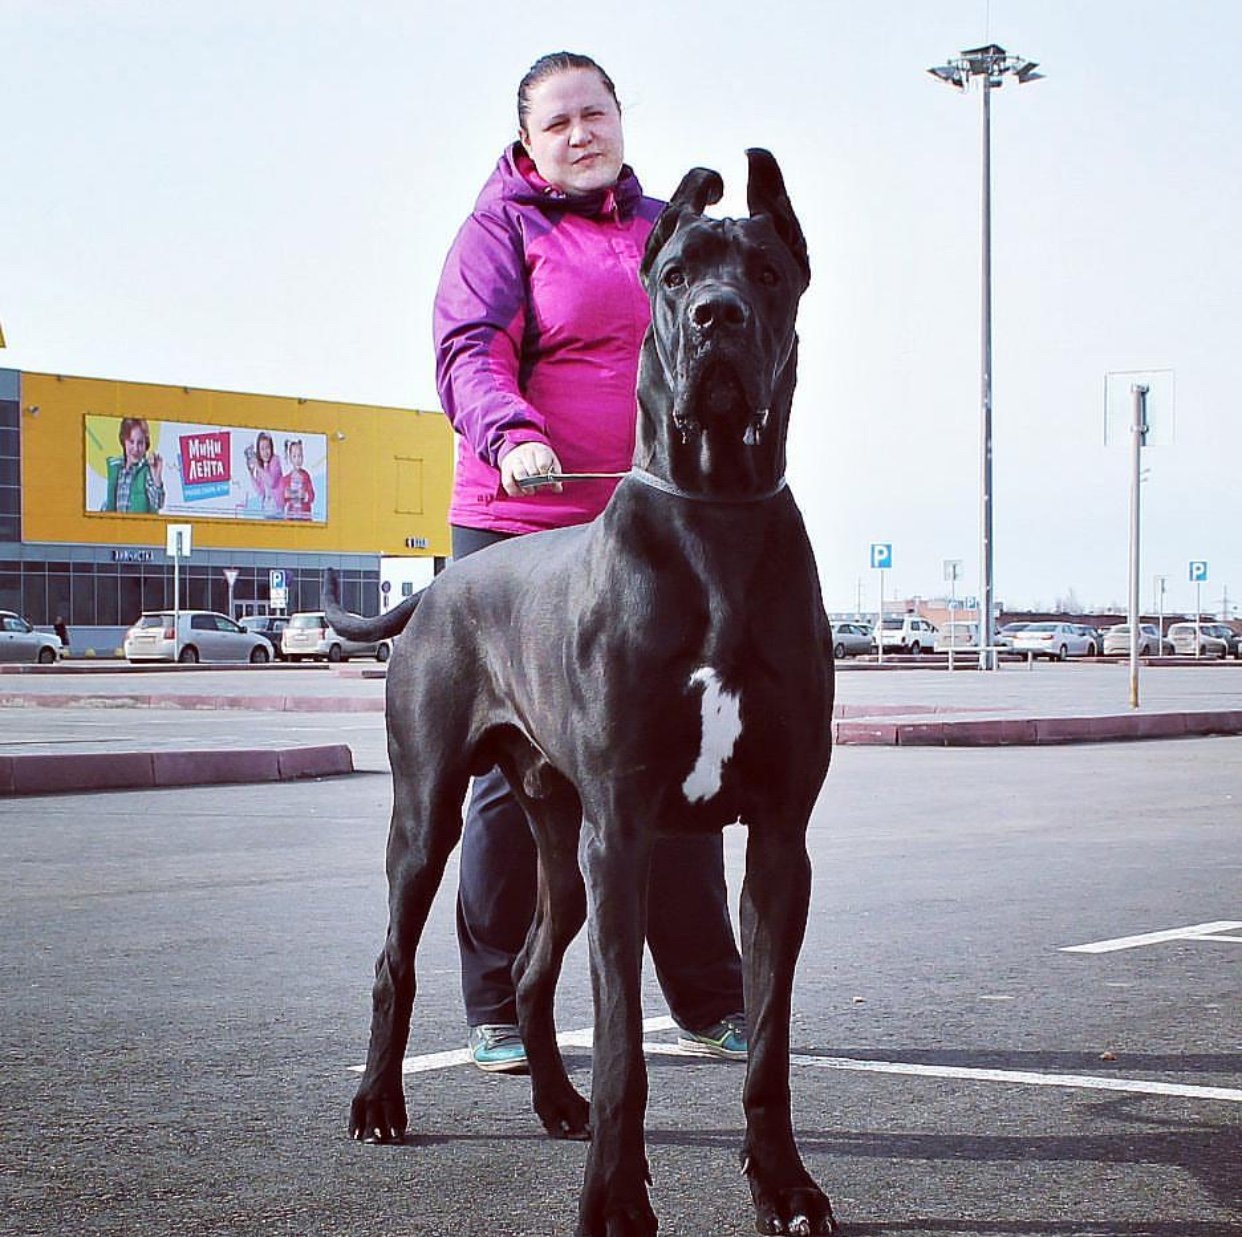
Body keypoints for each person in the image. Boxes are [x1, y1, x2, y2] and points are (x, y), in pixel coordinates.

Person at [434, 50, 746, 1074]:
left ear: (621, 120)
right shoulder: (500, 228)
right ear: (526, 141)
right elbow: (469, 347)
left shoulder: (668, 229)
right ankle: (496, 1008)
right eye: (557, 121)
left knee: (680, 758)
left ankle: (707, 1000)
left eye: (595, 113)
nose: (580, 132)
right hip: (524, 536)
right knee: (509, 774)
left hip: (654, 533)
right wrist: (509, 430)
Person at [103, 417, 164, 513]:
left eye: (140, 443)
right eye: (131, 442)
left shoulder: (147, 471)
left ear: (146, 444)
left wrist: (157, 477)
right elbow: (109, 503)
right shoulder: (116, 469)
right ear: (124, 441)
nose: (135, 448)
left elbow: (158, 503)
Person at [246, 431, 284, 513]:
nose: (265, 452)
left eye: (267, 448)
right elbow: (260, 491)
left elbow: (272, 483)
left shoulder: (275, 460)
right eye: (262, 449)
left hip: (278, 509)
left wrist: (258, 467)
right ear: (259, 452)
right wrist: (251, 474)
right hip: (267, 508)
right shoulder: (262, 467)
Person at [277, 439, 315, 518]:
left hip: (304, 516)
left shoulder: (306, 476)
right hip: (291, 517)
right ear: (290, 458)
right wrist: (285, 496)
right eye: (294, 456)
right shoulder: (286, 479)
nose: (298, 459)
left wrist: (305, 495)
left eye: (300, 456)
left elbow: (312, 496)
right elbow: (280, 501)